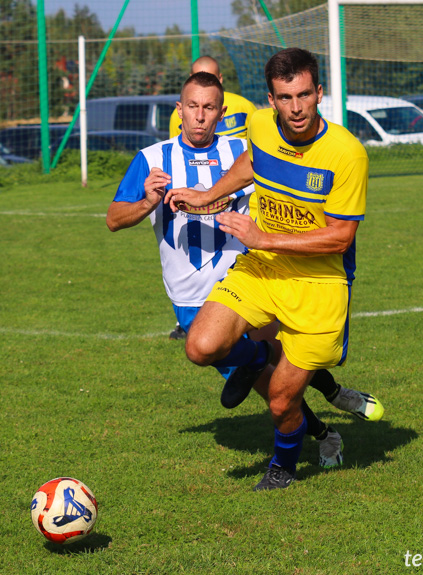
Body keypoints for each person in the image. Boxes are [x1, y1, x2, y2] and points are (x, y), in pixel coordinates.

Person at [107, 70, 383, 471]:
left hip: (248, 280)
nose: (200, 116)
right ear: (178, 110)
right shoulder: (152, 159)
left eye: (209, 108)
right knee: (267, 377)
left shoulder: (247, 150)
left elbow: (291, 204)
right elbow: (114, 219)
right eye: (192, 107)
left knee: (281, 376)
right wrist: (147, 202)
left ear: (222, 112)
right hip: (191, 297)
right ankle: (329, 418)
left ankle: (326, 416)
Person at [166, 55, 258, 340]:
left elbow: (257, 150)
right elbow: (178, 156)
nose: (200, 115)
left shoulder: (244, 107)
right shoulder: (175, 120)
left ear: (220, 80)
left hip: (241, 204)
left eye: (210, 76)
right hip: (199, 211)